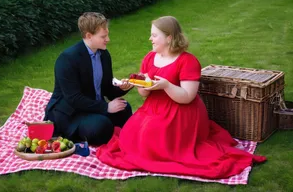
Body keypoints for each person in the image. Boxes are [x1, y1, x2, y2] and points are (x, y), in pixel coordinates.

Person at [96, 16, 266, 180]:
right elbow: (144, 94)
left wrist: (167, 85)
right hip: (154, 107)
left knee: (152, 135)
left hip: (181, 110)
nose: (150, 39)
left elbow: (187, 97)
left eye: (154, 35)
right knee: (130, 134)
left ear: (169, 38)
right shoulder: (149, 58)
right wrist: (141, 83)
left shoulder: (188, 61)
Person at [44, 12, 133, 146]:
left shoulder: (103, 54)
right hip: (71, 113)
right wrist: (106, 107)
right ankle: (75, 132)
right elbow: (73, 98)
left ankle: (111, 131)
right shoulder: (67, 59)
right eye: (103, 36)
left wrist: (122, 88)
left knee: (124, 108)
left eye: (107, 34)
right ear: (88, 36)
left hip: (93, 107)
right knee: (102, 126)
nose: (108, 39)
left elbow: (107, 89)